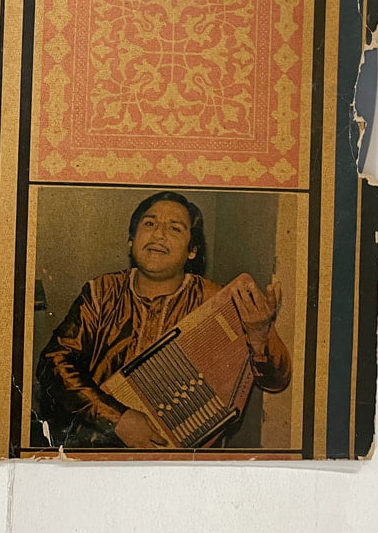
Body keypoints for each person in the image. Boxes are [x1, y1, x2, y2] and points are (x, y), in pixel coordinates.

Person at [35, 191, 291, 448]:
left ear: (192, 251)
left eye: (175, 228)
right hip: (100, 443)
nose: (158, 234)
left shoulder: (218, 302)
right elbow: (52, 363)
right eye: (149, 224)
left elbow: (276, 381)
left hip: (185, 455)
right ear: (130, 241)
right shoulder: (101, 292)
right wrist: (117, 419)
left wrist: (259, 337)